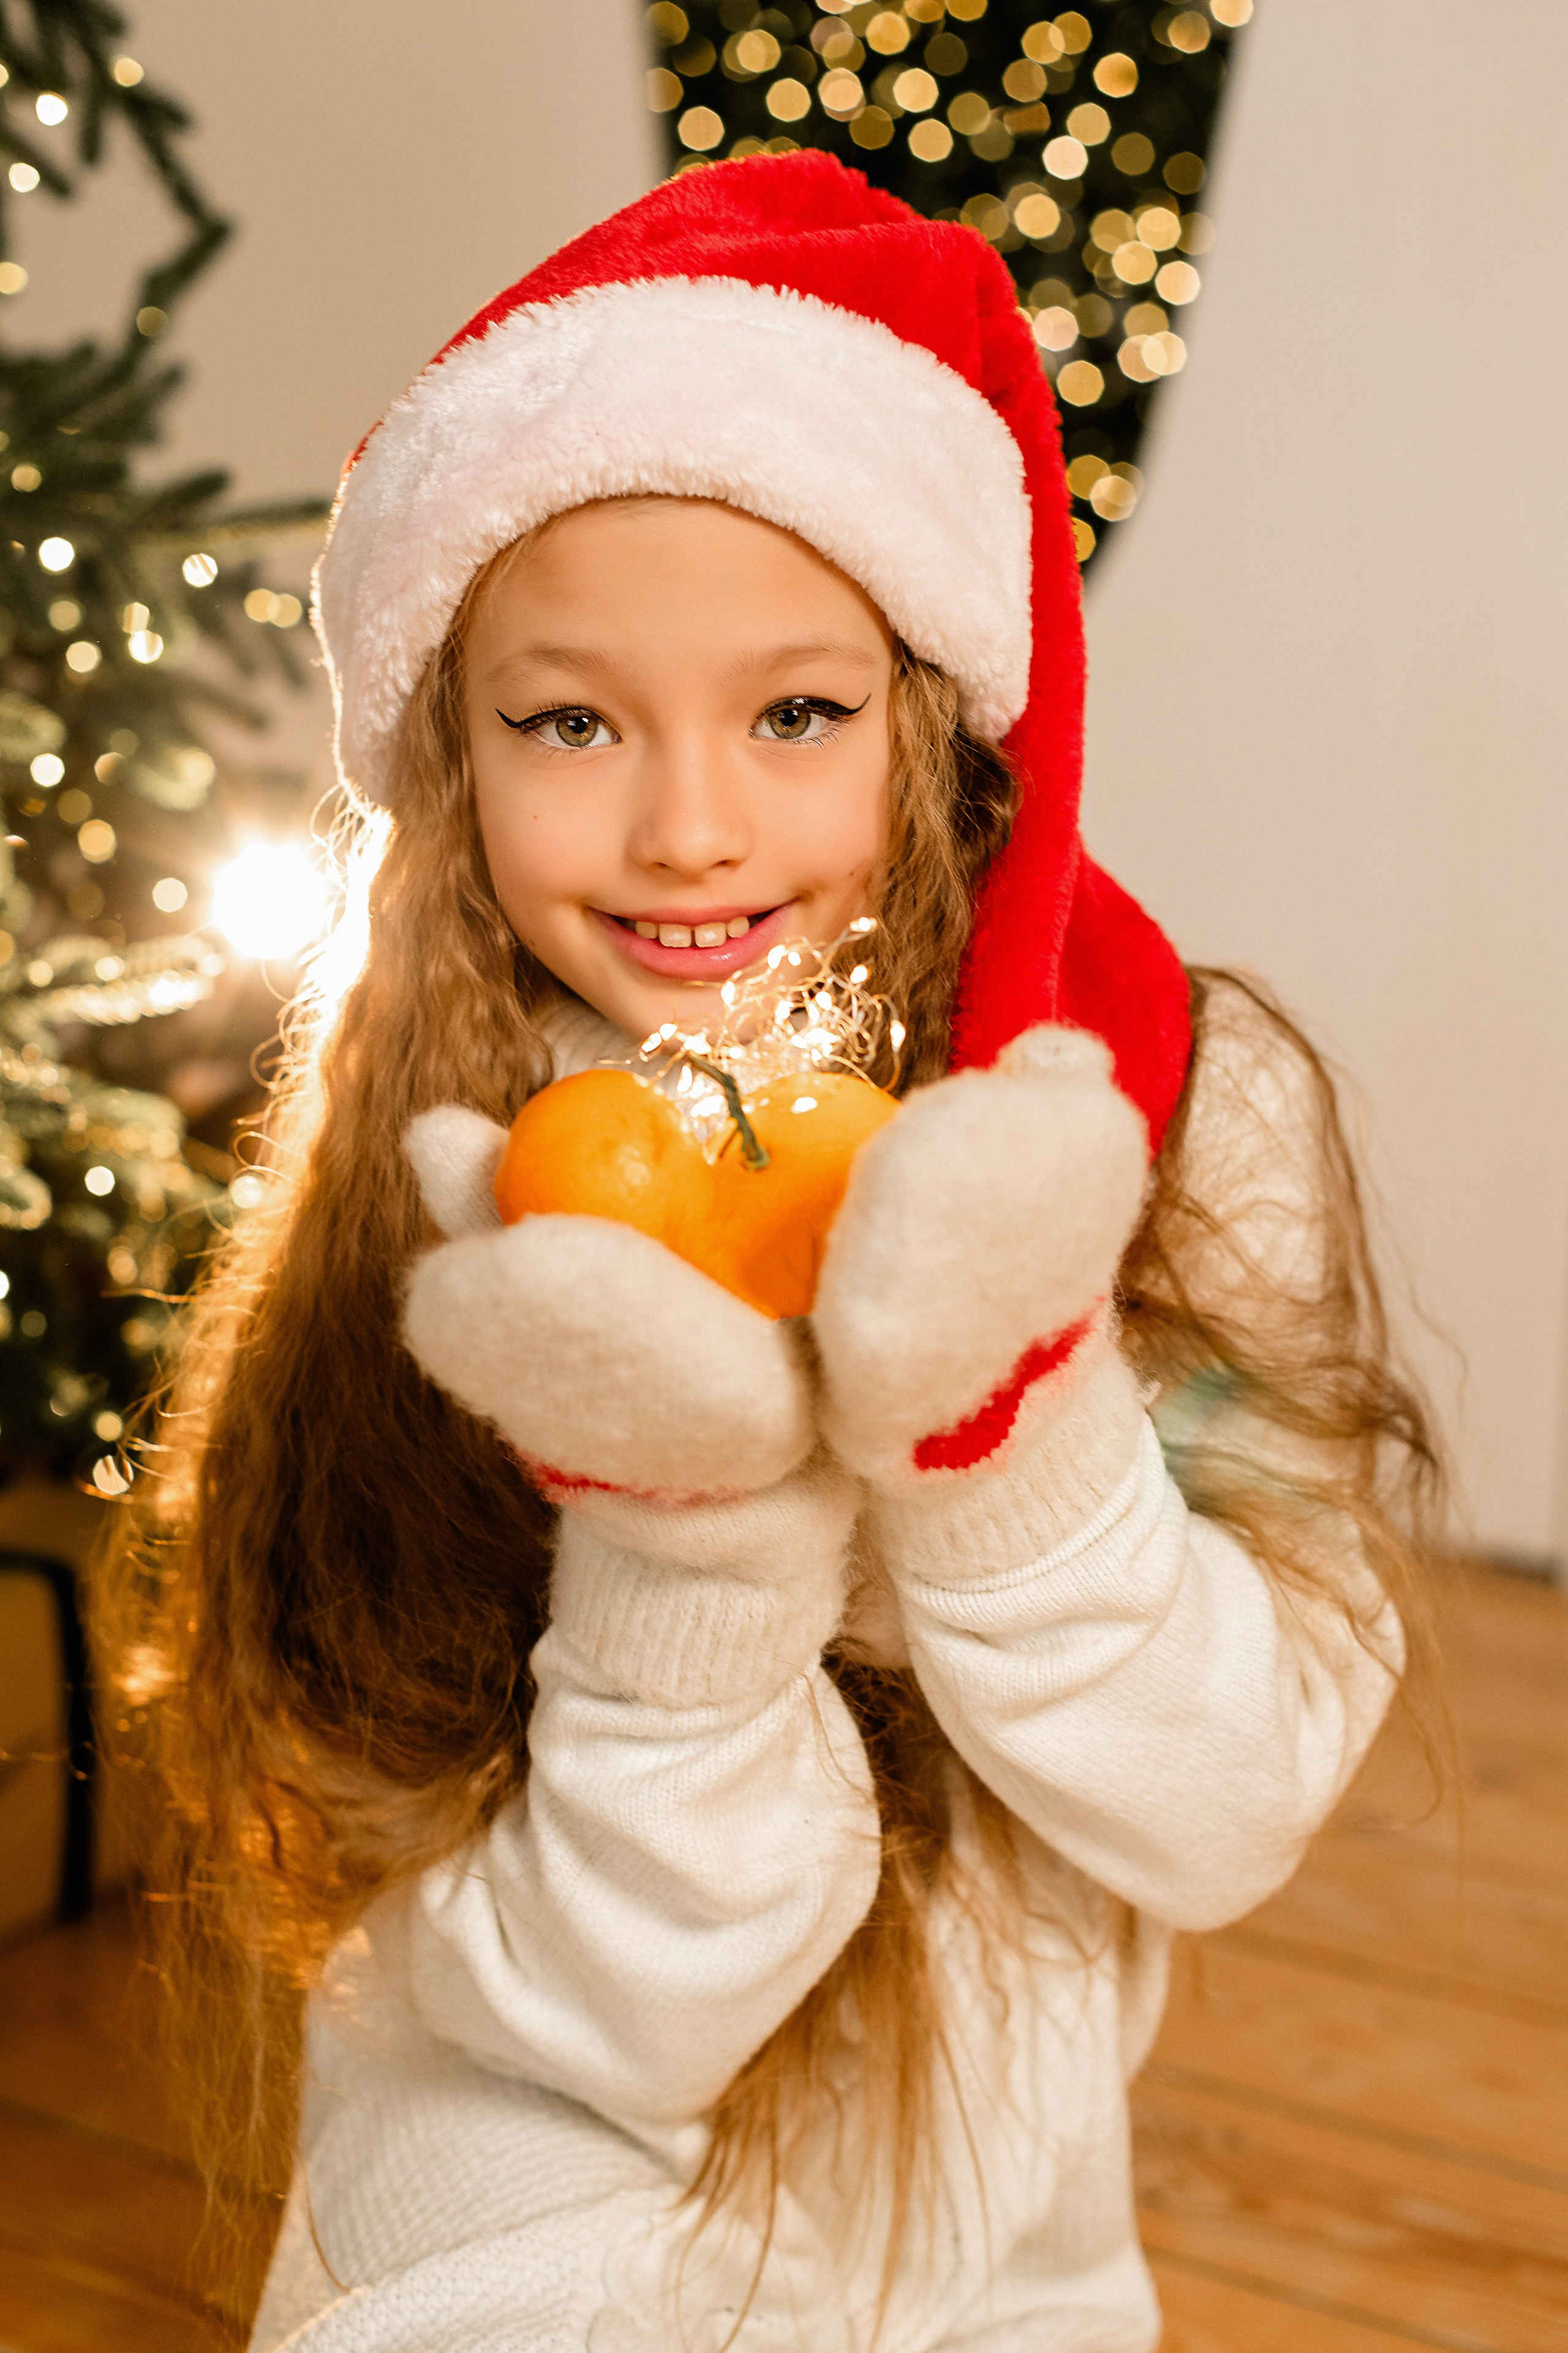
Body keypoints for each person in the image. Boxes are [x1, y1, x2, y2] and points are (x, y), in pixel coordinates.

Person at [105, 154, 1436, 2352]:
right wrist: (686, 1531)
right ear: (454, 739)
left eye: (795, 713)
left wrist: (1005, 1428)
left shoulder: (1170, 1124)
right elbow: (573, 2012)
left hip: (990, 2242)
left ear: (931, 704)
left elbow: (1222, 1808)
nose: (689, 827)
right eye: (571, 721)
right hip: (508, 2216)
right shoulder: (433, 1165)